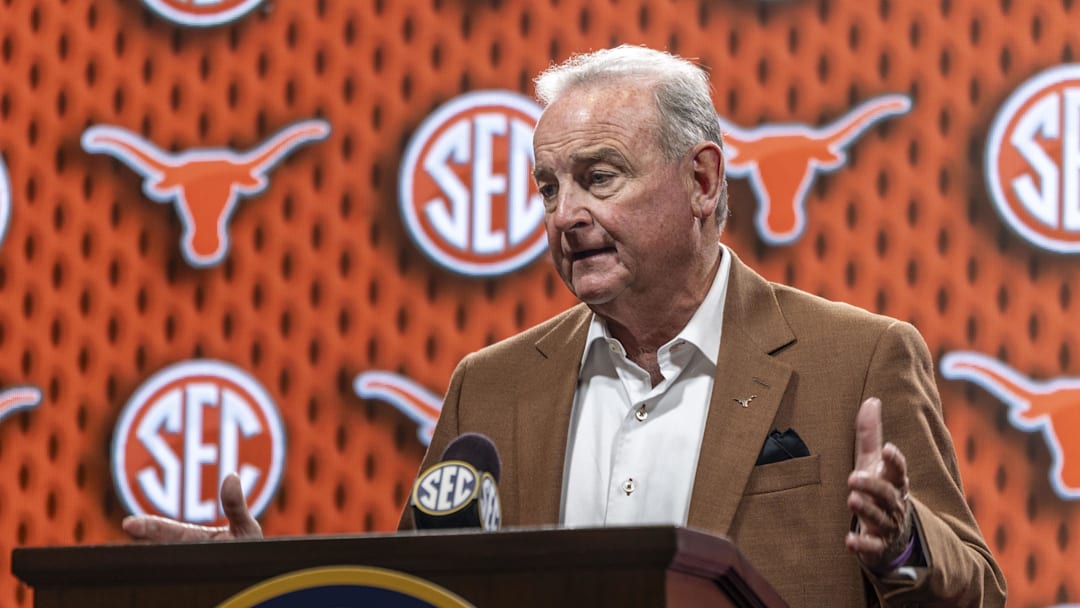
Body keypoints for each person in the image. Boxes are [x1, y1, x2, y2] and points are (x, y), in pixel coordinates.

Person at [124, 45, 1007, 607]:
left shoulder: (858, 358)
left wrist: (900, 547)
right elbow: (422, 596)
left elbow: (980, 590)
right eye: (549, 187)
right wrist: (268, 586)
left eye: (600, 177)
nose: (565, 214)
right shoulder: (490, 385)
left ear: (702, 182)